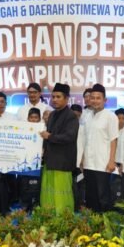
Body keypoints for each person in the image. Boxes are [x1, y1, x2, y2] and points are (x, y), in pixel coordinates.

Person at [39, 83, 79, 214]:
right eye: (53, 97)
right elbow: (47, 136)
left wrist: (50, 136)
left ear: (66, 98)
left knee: (62, 196)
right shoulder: (52, 115)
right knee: (48, 194)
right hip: (50, 161)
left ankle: (64, 220)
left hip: (62, 163)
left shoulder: (71, 116)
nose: (55, 99)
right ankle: (48, 218)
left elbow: (70, 136)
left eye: (58, 97)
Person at [82, 84, 118, 212]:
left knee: (103, 197)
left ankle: (105, 221)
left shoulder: (110, 116)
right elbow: (84, 139)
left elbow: (114, 140)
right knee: (90, 196)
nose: (95, 101)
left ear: (105, 100)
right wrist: (82, 159)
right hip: (88, 163)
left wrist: (112, 161)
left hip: (103, 164)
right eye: (92, 98)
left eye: (98, 98)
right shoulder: (86, 116)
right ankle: (93, 222)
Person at [18, 108, 44, 211]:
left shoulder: (43, 131)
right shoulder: (22, 131)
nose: (33, 119)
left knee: (37, 186)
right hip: (24, 164)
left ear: (39, 119)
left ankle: (36, 205)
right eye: (31, 117)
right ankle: (24, 205)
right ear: (28, 118)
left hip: (38, 163)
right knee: (24, 185)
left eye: (36, 117)